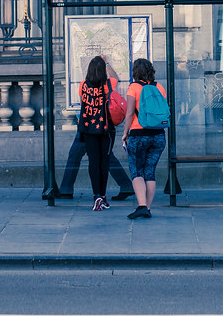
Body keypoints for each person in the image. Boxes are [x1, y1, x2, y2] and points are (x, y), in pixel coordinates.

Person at [120, 58, 167, 219]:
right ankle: (147, 207)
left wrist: (125, 133)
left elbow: (129, 113)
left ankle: (141, 206)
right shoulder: (159, 87)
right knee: (150, 171)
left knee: (136, 170)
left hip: (139, 135)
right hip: (158, 135)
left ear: (135, 72)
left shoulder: (133, 87)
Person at [76, 55, 121, 211]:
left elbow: (83, 103)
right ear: (103, 71)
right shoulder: (108, 84)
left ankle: (97, 196)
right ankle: (103, 195)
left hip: (88, 129)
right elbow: (116, 77)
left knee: (93, 162)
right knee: (104, 162)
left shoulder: (82, 85)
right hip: (105, 129)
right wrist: (107, 62)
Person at [58, 131, 134, 201]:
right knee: (105, 156)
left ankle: (66, 189)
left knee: (75, 155)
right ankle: (125, 185)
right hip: (94, 124)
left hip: (90, 124)